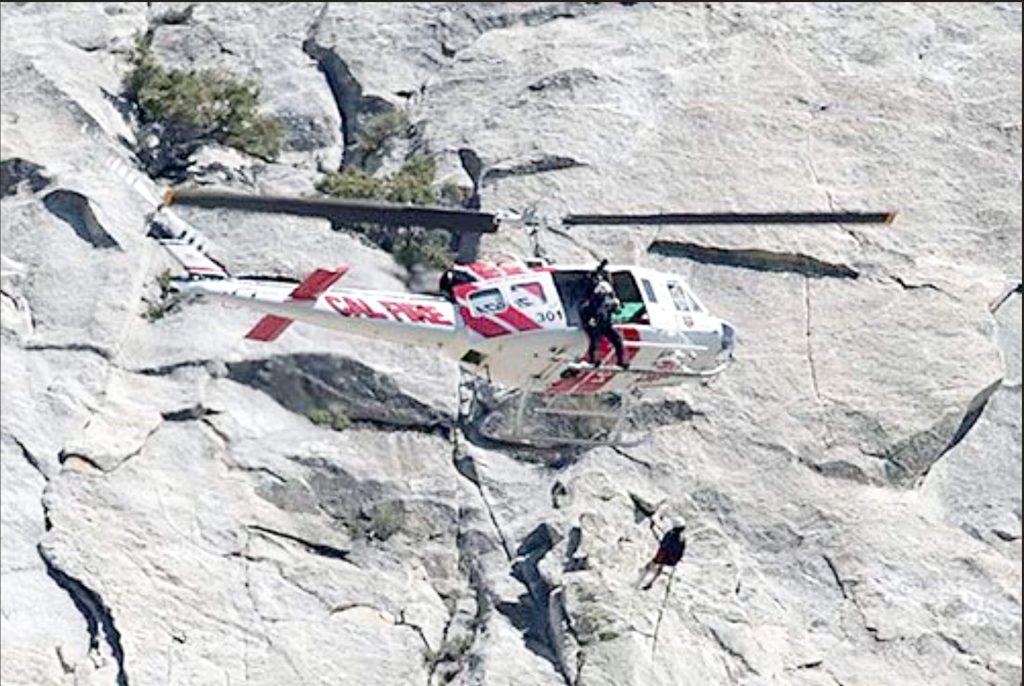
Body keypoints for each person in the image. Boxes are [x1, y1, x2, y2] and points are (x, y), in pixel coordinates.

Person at [579, 262, 627, 368]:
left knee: (617, 340)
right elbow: (589, 311)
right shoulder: (592, 300)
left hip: (605, 324)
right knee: (595, 341)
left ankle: (621, 361)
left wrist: (615, 306)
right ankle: (593, 361)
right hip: (596, 323)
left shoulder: (608, 300)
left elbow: (616, 310)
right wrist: (591, 320)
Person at [636, 520, 687, 591]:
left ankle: (639, 581)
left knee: (650, 566)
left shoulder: (672, 535)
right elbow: (681, 550)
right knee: (659, 568)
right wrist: (676, 559)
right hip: (670, 558)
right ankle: (650, 582)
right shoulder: (682, 538)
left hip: (664, 554)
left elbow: (665, 544)